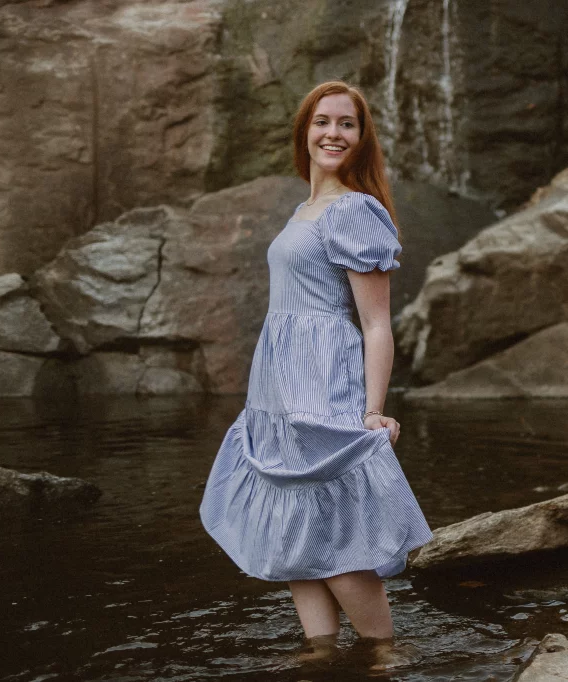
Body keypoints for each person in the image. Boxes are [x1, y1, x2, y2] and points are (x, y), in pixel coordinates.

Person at [199, 81, 433, 665]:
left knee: (340, 532)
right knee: (294, 527)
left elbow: (376, 323)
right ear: (305, 131)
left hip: (325, 383)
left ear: (361, 137)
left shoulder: (355, 210)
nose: (334, 133)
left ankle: (385, 655)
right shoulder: (305, 210)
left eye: (347, 124)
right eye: (323, 122)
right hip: (276, 390)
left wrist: (373, 409)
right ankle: (322, 655)